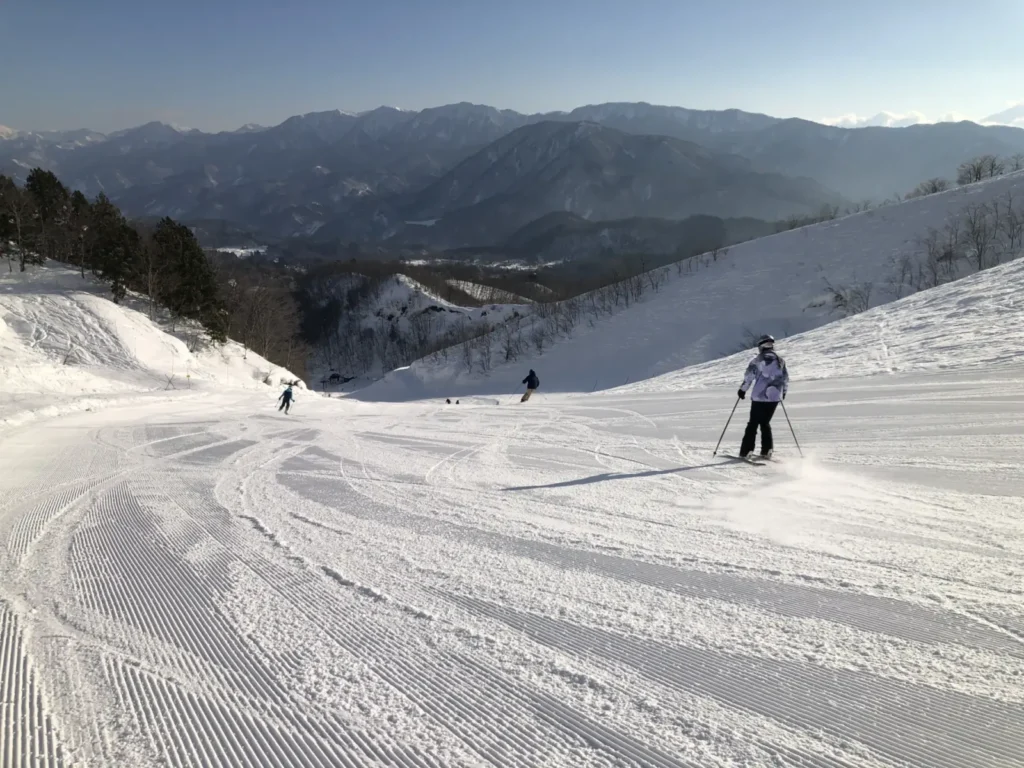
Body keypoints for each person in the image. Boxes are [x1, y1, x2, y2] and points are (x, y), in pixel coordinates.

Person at [737, 335, 789, 458]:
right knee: (765, 423)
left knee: (753, 424)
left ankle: (746, 451)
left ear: (761, 346)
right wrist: (783, 392)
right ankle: (767, 450)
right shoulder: (780, 361)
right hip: (775, 397)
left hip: (759, 397)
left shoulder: (757, 360)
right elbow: (785, 378)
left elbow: (749, 377)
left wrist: (742, 390)